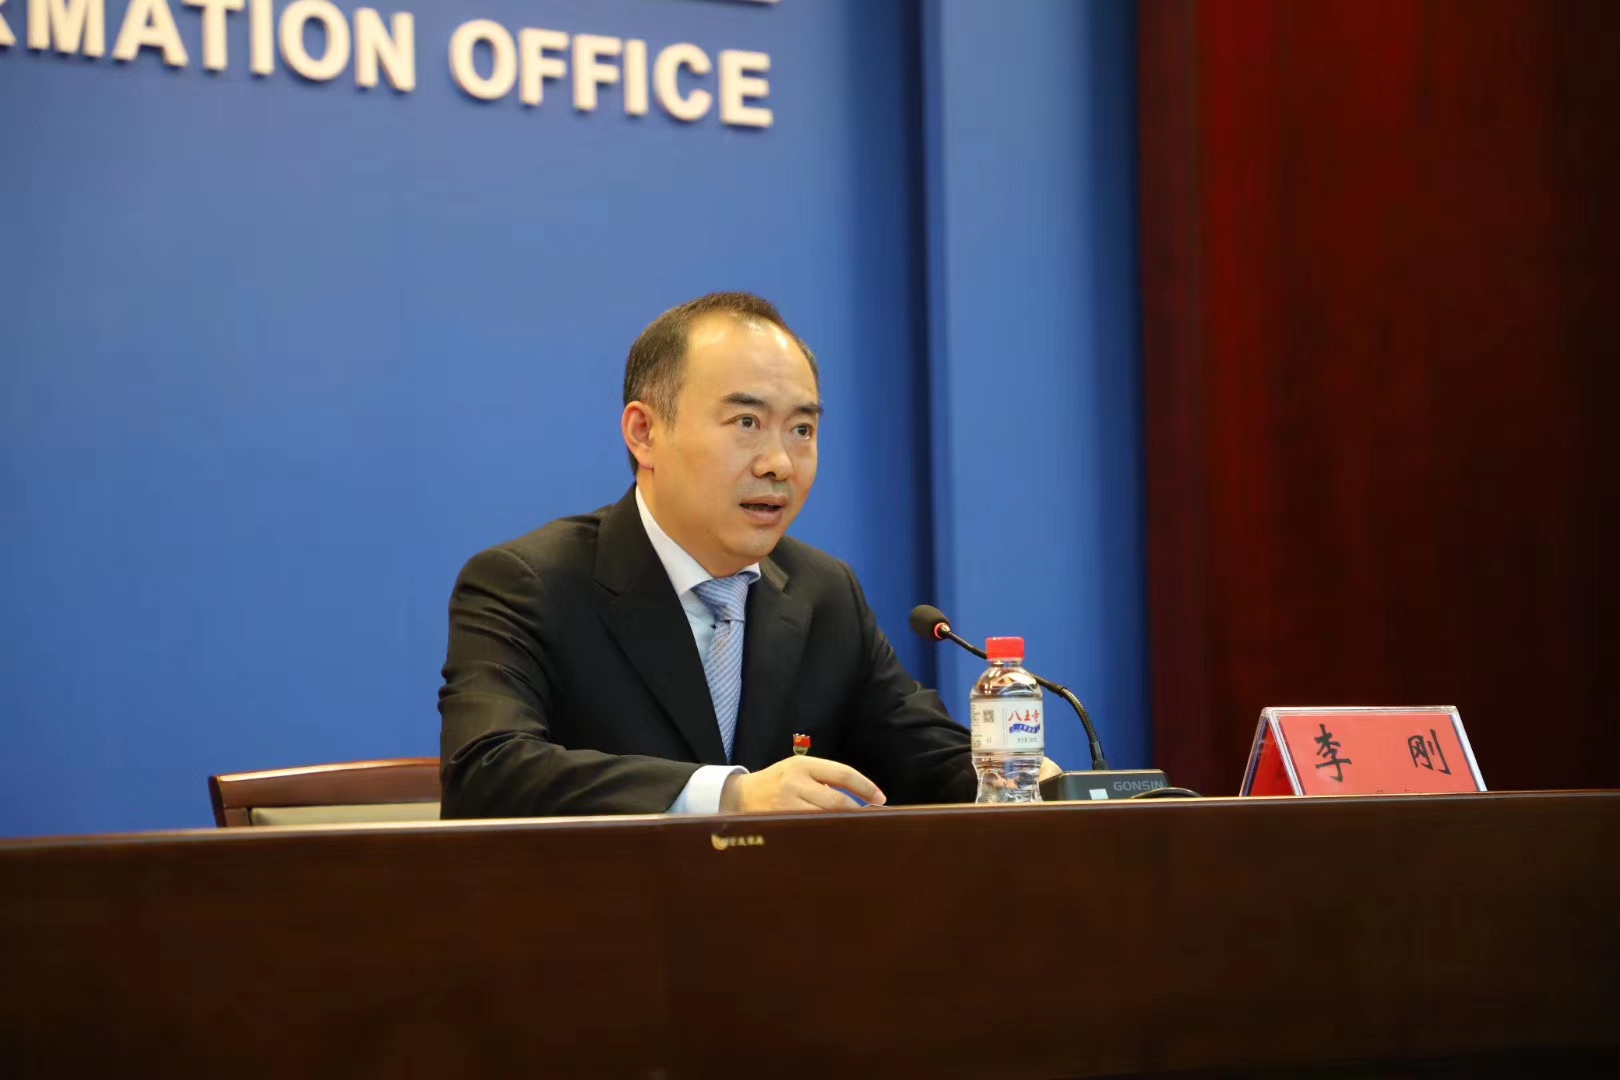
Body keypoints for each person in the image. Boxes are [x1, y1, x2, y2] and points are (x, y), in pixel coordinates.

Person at [437, 293, 1043, 817]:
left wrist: (1040, 787)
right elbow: (487, 772)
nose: (779, 463)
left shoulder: (824, 593)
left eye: (802, 430)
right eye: (747, 422)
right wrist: (728, 795)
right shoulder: (529, 584)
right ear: (644, 432)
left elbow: (929, 759)